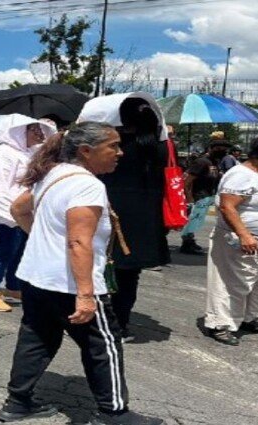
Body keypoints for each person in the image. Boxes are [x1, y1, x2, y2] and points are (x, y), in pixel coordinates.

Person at [0, 121, 163, 425]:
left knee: (36, 339)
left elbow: (19, 209)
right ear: (86, 150)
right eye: (113, 146)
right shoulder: (87, 184)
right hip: (71, 284)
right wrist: (86, 295)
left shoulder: (53, 173)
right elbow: (78, 241)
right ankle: (114, 413)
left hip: (36, 278)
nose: (120, 152)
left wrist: (44, 243)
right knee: (104, 345)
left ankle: (17, 403)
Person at [78, 93, 170, 343]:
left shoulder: (113, 146)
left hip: (111, 214)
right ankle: (121, 324)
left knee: (99, 269)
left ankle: (98, 323)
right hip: (145, 219)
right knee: (129, 275)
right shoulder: (158, 145)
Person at [203, 131, 258, 346]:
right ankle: (221, 323)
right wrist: (244, 235)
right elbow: (227, 206)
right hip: (247, 240)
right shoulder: (241, 174)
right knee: (233, 284)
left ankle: (249, 317)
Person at [0, 114, 56, 312]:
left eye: (40, 130)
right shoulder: (3, 154)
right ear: (20, 131)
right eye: (35, 130)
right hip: (8, 215)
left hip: (25, 214)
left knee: (20, 253)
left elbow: (53, 151)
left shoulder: (29, 152)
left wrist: (51, 131)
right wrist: (10, 216)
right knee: (4, 252)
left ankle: (13, 287)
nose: (40, 134)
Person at [179, 139, 231, 255]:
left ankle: (190, 241)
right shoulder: (202, 162)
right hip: (198, 196)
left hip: (206, 195)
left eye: (224, 149)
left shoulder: (214, 162)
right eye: (219, 148)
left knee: (197, 220)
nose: (222, 150)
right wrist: (189, 198)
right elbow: (187, 181)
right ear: (211, 148)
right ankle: (187, 244)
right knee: (194, 220)